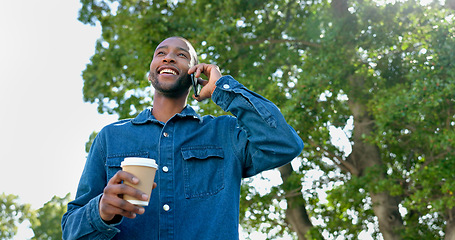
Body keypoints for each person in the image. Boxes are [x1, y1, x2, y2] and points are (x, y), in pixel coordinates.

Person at [62, 36, 304, 239]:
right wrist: (101, 211)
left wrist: (223, 88)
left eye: (182, 55)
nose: (168, 57)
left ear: (194, 75)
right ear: (150, 73)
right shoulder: (111, 137)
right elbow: (70, 230)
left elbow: (284, 144)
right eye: (161, 53)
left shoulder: (225, 133)